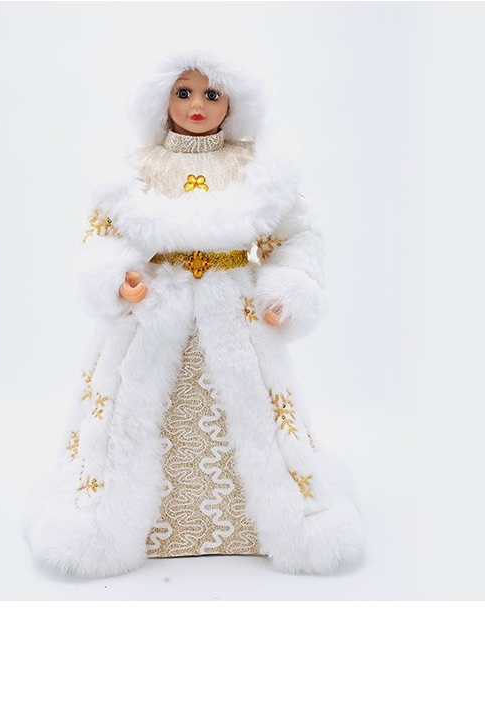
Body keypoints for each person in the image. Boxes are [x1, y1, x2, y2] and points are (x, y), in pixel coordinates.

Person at [24, 51, 364, 577]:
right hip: (154, 317)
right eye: (183, 92)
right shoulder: (138, 167)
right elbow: (100, 236)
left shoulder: (254, 167)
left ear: (233, 101)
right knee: (132, 419)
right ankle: (127, 526)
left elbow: (298, 232)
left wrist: (287, 289)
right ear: (162, 99)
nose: (197, 105)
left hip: (237, 318)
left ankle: (263, 523)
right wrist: (120, 279)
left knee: (255, 416)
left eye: (212, 93)